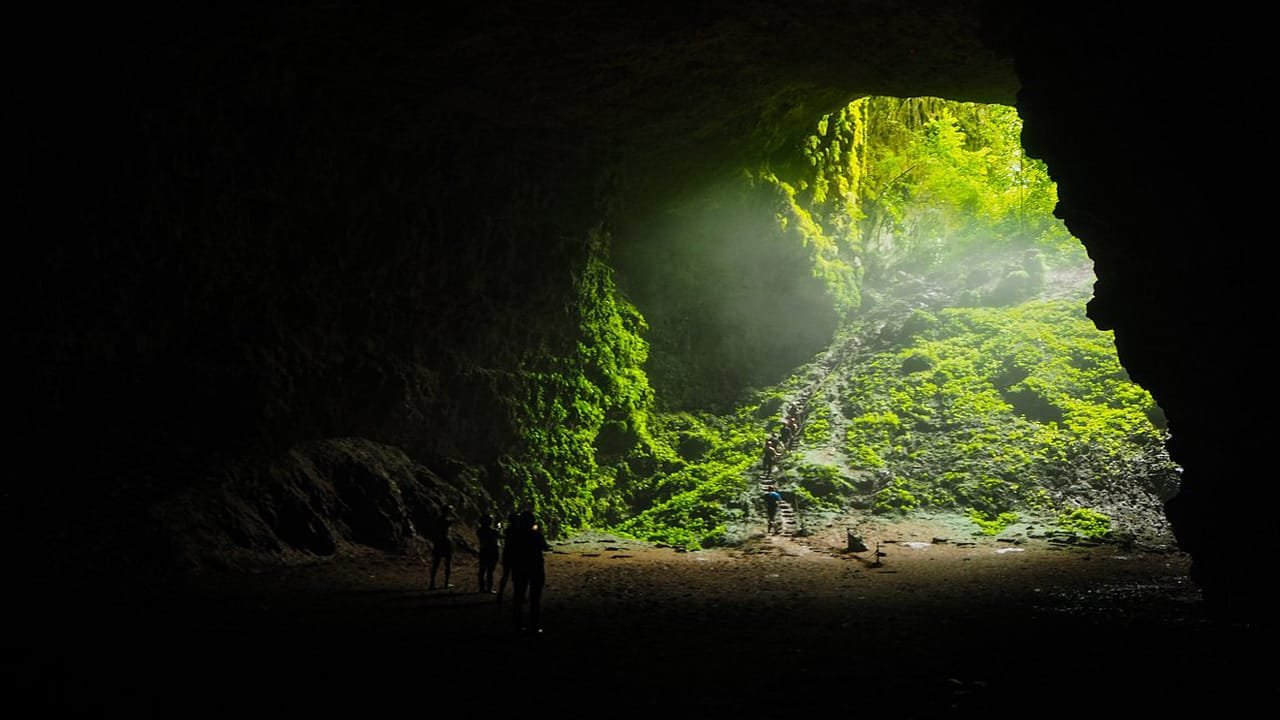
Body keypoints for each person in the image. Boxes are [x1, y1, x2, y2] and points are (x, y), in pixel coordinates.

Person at [506, 509, 551, 633]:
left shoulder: (514, 535)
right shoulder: (536, 534)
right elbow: (545, 546)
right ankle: (534, 626)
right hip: (535, 567)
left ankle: (517, 625)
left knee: (518, 597)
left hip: (519, 567)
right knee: (535, 598)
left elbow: (510, 550)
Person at [428, 504, 456, 590]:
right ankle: (446, 583)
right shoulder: (447, 521)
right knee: (447, 563)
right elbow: (455, 520)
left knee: (436, 563)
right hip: (446, 542)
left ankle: (432, 583)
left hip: (438, 542)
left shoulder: (437, 520)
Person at [495, 511, 519, 602]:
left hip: (507, 553)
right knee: (516, 576)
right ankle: (517, 595)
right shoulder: (517, 530)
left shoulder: (508, 529)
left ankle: (500, 594)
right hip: (515, 554)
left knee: (505, 574)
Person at [476, 513, 501, 593]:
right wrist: (498, 528)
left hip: (483, 550)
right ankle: (489, 588)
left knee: (482, 570)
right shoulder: (493, 531)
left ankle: (481, 588)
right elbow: (499, 535)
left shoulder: (479, 531)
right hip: (492, 551)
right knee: (490, 571)